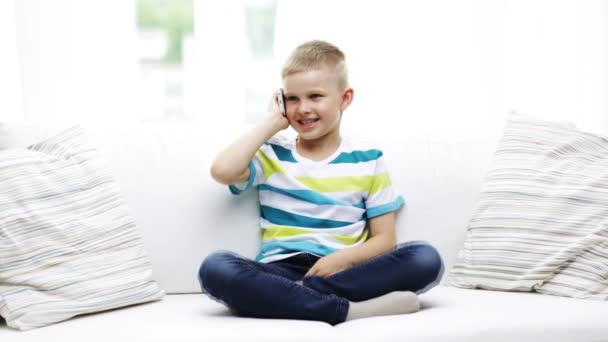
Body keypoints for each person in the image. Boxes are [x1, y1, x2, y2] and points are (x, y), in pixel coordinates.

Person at [199, 40, 443, 325]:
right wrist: (270, 123)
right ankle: (346, 310)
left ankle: (287, 299)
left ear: (345, 98)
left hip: (344, 271)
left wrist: (342, 260)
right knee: (215, 268)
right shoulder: (272, 154)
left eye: (315, 96)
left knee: (426, 258)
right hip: (280, 271)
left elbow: (385, 239)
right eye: (292, 98)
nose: (302, 108)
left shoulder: (368, 160)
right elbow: (222, 171)